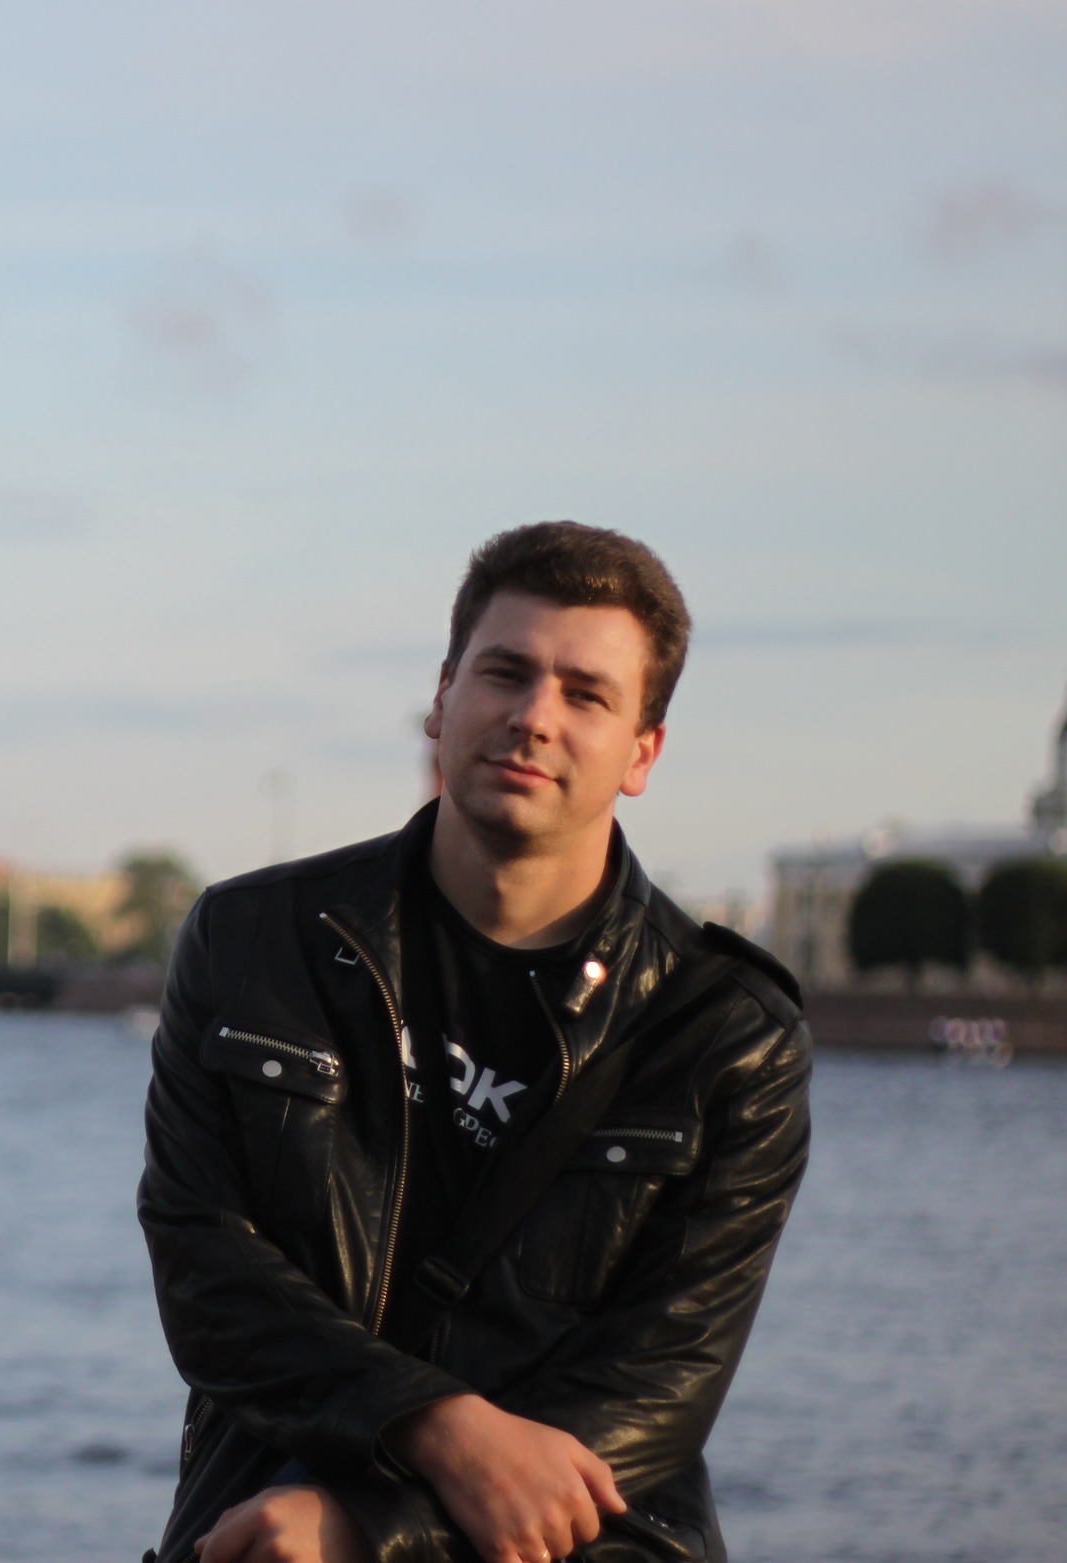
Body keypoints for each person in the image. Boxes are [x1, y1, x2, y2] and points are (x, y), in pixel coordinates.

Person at [139, 522, 810, 1563]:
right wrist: (435, 1425)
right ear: (443, 698)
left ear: (642, 752)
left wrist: (374, 1528)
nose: (534, 717)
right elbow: (205, 1269)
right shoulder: (253, 941)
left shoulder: (726, 1035)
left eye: (586, 695)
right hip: (261, 1529)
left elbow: (657, 1386)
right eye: (505, 673)